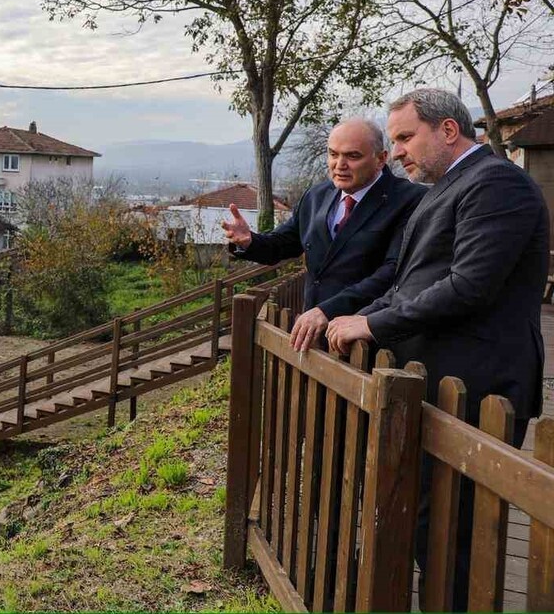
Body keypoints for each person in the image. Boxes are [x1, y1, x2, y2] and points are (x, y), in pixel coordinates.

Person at [326, 88, 548, 611]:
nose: (396, 151)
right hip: (442, 384)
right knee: (432, 529)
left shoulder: (497, 185)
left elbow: (468, 285)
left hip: (478, 386)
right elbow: (409, 281)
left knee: (459, 541)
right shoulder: (451, 187)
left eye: (405, 137)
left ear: (448, 131)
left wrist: (373, 324)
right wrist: (350, 315)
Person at [222, 118, 425, 351]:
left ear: (380, 159)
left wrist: (329, 310)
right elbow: (284, 243)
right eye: (333, 154)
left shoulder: (409, 200)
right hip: (314, 335)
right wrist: (249, 241)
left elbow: (393, 273)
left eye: (353, 156)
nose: (340, 164)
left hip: (370, 341)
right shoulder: (317, 195)